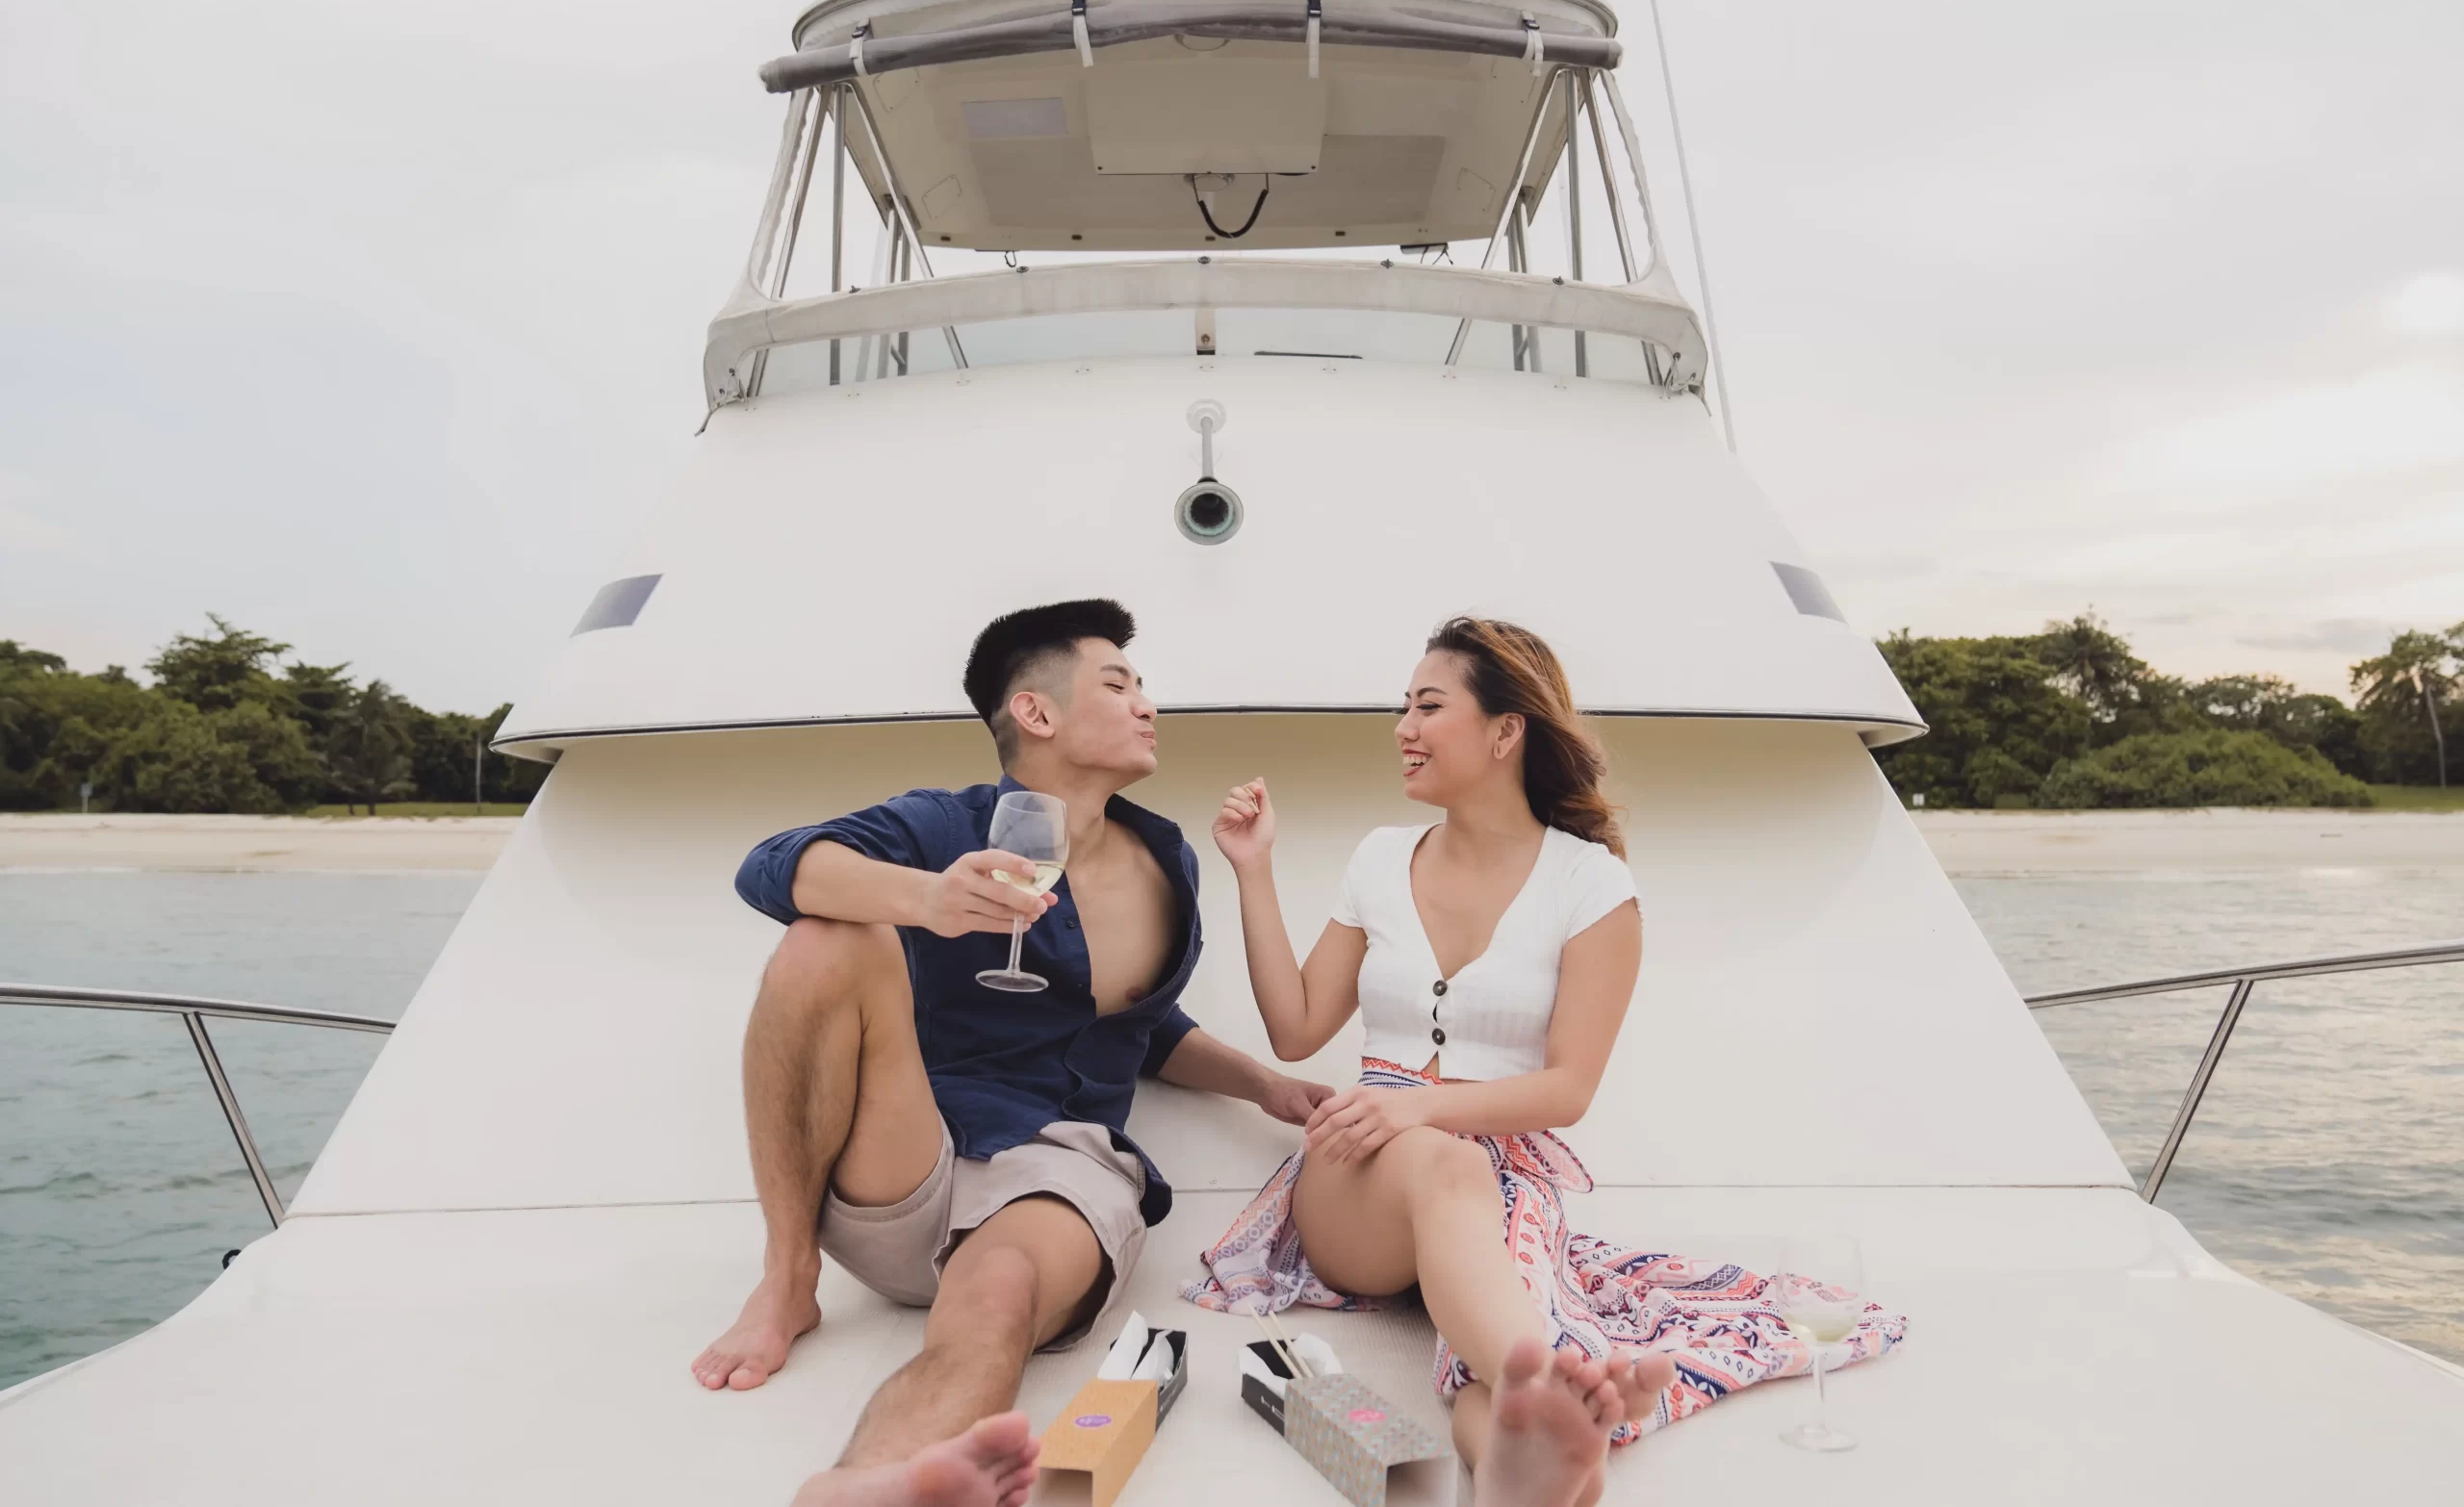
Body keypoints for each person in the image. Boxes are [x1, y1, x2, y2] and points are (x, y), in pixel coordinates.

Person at [1189, 617, 1908, 1501]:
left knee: (1485, 1343)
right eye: (1404, 706)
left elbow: (1569, 1088)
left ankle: (1515, 1463)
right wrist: (1253, 869)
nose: (1403, 727)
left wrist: (1423, 1106)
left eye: (1427, 706)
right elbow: (1296, 1028)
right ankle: (1553, 1381)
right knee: (1448, 1170)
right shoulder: (1379, 858)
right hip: (1357, 1173)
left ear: (1505, 730)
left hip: (1503, 1178)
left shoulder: (1591, 884)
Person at [696, 599, 1329, 1507]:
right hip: (913, 1151)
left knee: (994, 1301)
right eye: (1118, 683)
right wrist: (926, 898)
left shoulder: (1168, 864)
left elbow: (1139, 1026)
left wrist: (1265, 1085)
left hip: (1058, 1173)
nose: (1146, 703)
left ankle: (867, 1487)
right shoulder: (946, 827)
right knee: (824, 938)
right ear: (1036, 711)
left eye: (1143, 684)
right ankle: (788, 1277)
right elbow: (768, 865)